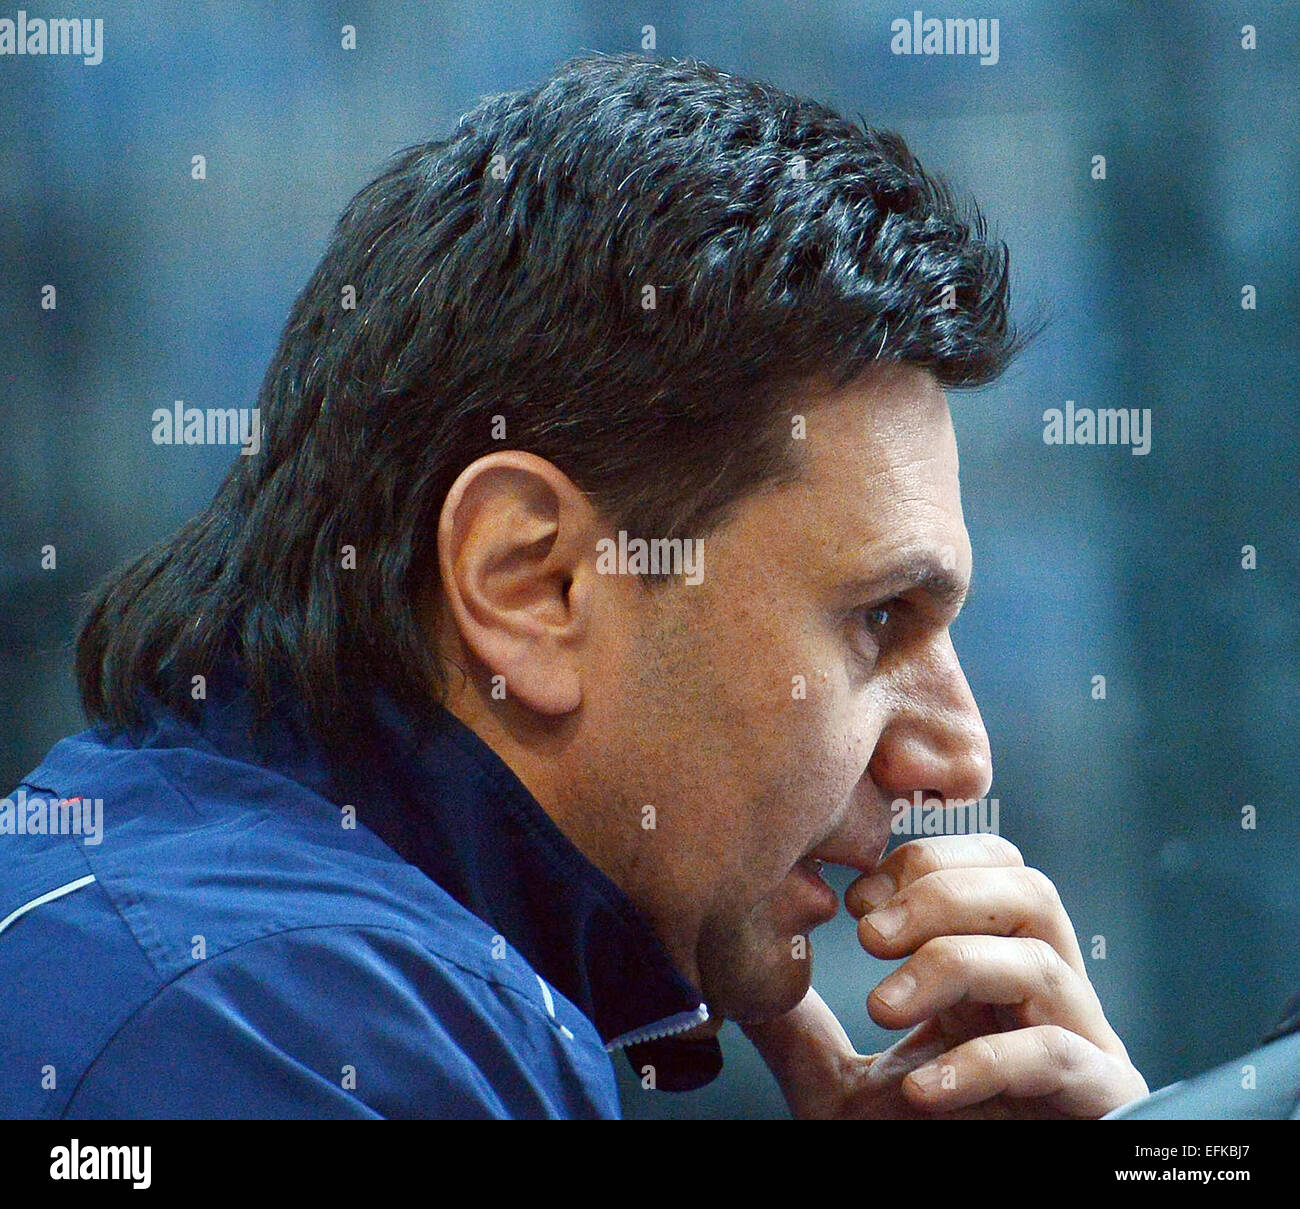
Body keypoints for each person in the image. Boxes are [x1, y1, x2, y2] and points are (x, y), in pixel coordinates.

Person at [0, 51, 1149, 1119]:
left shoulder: (212, 930)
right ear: (531, 584)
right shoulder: (298, 1026)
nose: (958, 757)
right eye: (878, 619)